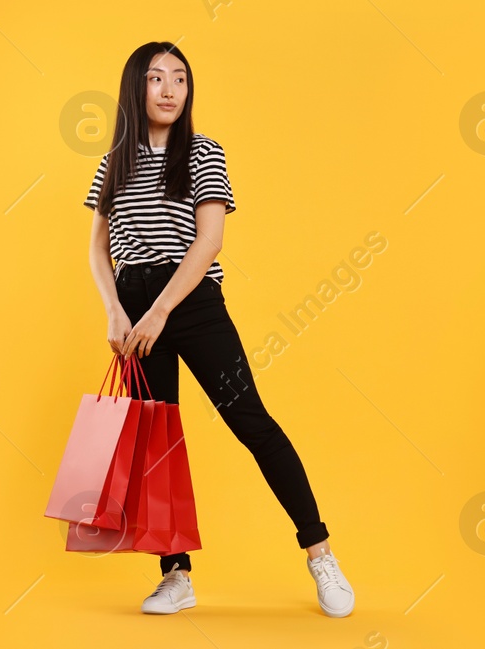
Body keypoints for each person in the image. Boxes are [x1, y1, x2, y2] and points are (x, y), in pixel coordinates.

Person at [84, 42, 354, 617]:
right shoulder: (115, 162)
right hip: (133, 314)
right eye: (156, 79)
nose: (168, 90)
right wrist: (116, 311)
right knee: (156, 444)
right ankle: (176, 575)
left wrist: (159, 311)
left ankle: (320, 552)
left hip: (192, 306)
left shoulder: (205, 152)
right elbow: (97, 248)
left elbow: (209, 241)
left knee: (251, 420)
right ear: (136, 88)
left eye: (179, 79)